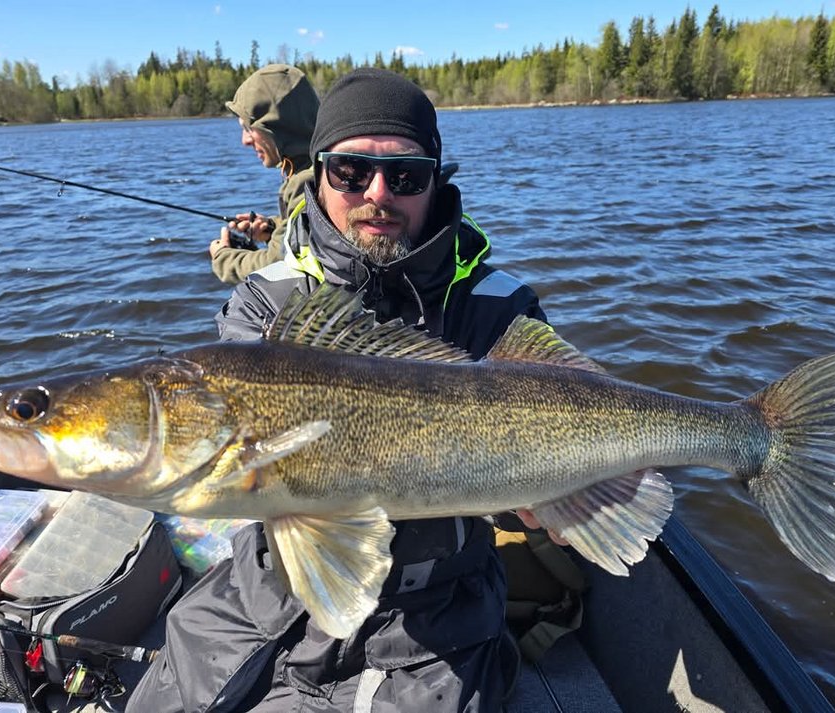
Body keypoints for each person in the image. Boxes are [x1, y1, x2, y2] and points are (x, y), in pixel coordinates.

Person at [130, 68, 553, 712]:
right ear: (320, 174)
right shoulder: (264, 302)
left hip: (434, 615)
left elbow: (556, 430)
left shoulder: (500, 308)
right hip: (267, 592)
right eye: (351, 172)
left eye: (405, 175)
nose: (377, 193)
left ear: (435, 180)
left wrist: (556, 507)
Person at [208, 64, 319, 285]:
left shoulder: (307, 181)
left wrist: (224, 258)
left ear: (278, 128)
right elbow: (309, 234)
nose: (245, 141)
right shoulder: (315, 166)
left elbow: (280, 265)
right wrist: (272, 228)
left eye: (249, 128)